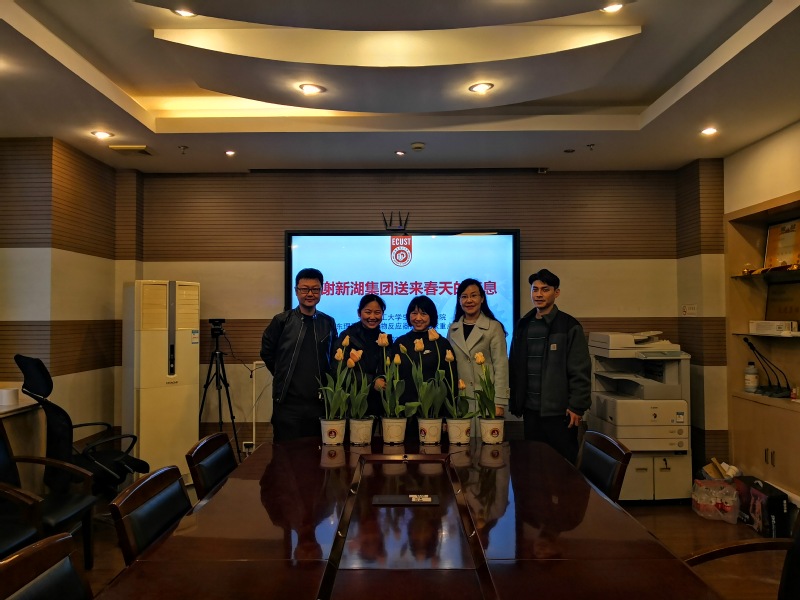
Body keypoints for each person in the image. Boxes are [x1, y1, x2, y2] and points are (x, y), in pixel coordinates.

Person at [508, 269, 591, 464]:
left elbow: (580, 370)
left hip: (560, 414)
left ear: (556, 292)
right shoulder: (523, 325)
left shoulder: (568, 326)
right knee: (534, 465)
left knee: (563, 467)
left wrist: (577, 406)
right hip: (530, 412)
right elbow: (515, 365)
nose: (538, 294)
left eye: (545, 290)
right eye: (535, 289)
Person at [260, 268, 337, 442]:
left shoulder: (328, 322)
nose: (310, 294)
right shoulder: (281, 321)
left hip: (319, 403)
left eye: (315, 289)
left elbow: (333, 357)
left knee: (317, 452)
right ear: (296, 291)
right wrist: (282, 373)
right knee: (285, 454)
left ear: (322, 291)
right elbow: (267, 352)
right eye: (304, 289)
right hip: (288, 403)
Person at [390, 295, 457, 441]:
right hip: (405, 415)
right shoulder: (401, 343)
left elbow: (450, 382)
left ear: (431, 316)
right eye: (414, 313)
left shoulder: (441, 344)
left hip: (433, 415)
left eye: (424, 313)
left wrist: (448, 417)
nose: (418, 318)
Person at [447, 278, 509, 426]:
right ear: (459, 301)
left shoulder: (494, 327)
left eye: (474, 295)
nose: (469, 300)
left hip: (486, 399)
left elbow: (501, 366)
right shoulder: (453, 329)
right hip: (461, 400)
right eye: (464, 296)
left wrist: (500, 401)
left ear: (482, 298)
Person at [333, 294, 391, 418]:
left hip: (378, 403)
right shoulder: (348, 336)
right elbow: (339, 369)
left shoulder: (385, 339)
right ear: (359, 313)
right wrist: (372, 382)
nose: (372, 317)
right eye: (368, 312)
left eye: (377, 312)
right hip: (352, 403)